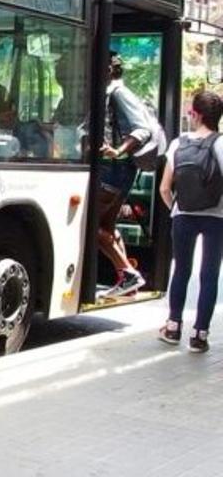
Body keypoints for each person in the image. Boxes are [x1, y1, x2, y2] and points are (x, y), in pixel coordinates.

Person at [157, 90, 223, 353]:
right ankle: (199, 336)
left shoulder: (178, 143)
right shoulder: (221, 143)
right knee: (209, 275)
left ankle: (173, 328)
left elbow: (164, 188)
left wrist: (177, 207)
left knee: (181, 272)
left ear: (195, 114)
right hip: (216, 218)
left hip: (182, 216)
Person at [97, 53, 156, 297]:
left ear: (109, 70)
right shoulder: (111, 91)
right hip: (117, 170)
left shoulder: (119, 93)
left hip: (114, 170)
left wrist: (116, 151)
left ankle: (129, 274)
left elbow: (143, 130)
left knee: (92, 227)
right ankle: (128, 281)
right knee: (107, 227)